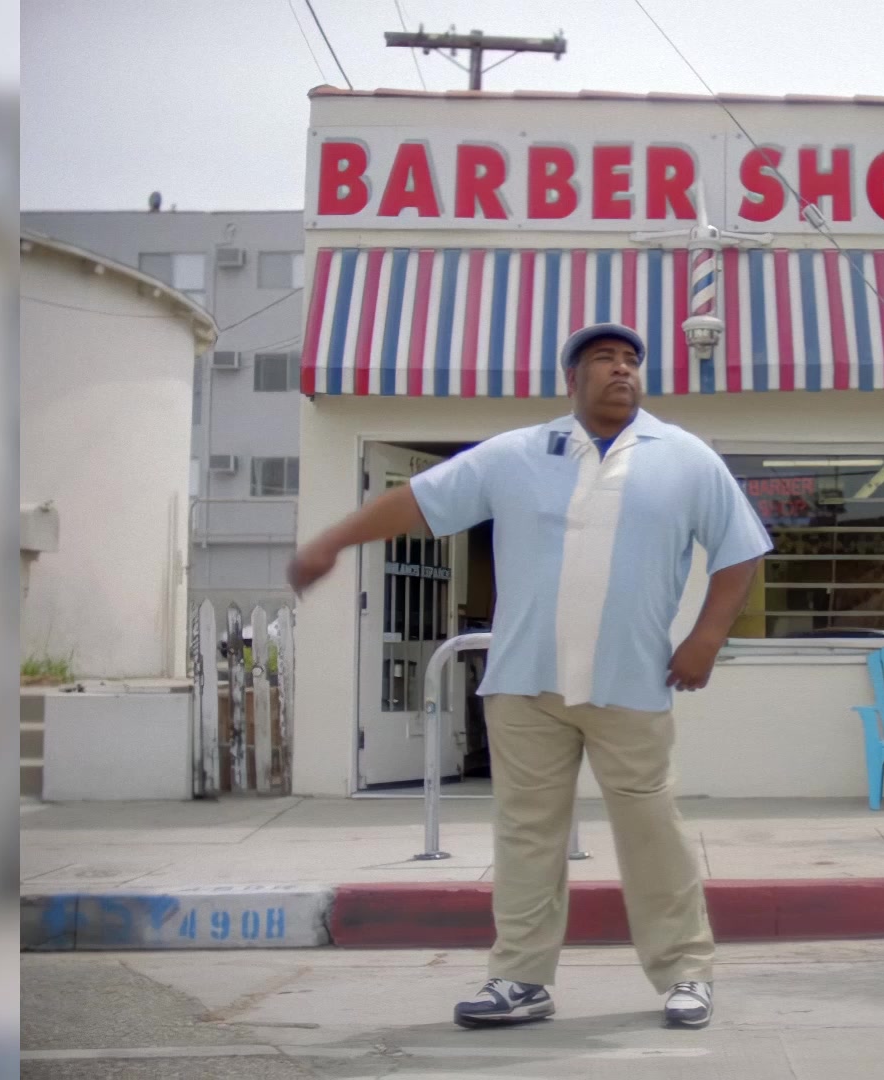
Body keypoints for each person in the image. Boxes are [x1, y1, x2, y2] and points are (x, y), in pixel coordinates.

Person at [287, 323, 771, 1031]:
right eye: (603, 359)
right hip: (524, 684)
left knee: (653, 834)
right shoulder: (516, 453)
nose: (621, 369)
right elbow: (418, 500)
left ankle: (685, 973)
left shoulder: (685, 457)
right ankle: (520, 978)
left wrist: (704, 638)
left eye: (631, 360)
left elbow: (740, 549)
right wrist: (333, 540)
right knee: (526, 836)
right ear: (570, 379)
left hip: (630, 683)